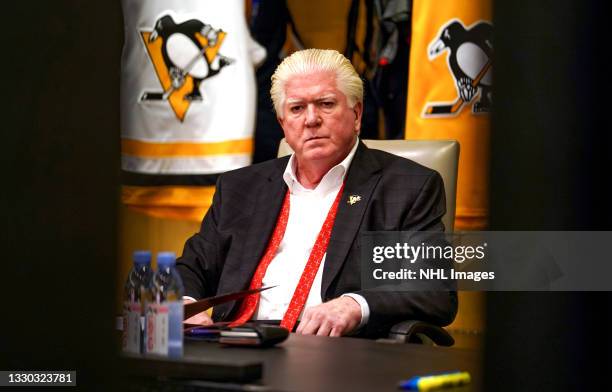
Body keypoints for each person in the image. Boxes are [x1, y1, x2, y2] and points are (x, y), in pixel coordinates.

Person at [177, 49, 457, 338]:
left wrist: (354, 305)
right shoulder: (240, 187)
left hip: (331, 351)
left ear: (357, 114)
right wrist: (185, 305)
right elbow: (192, 267)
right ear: (283, 123)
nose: (311, 119)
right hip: (238, 341)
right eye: (297, 108)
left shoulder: (406, 187)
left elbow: (435, 291)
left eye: (325, 104)